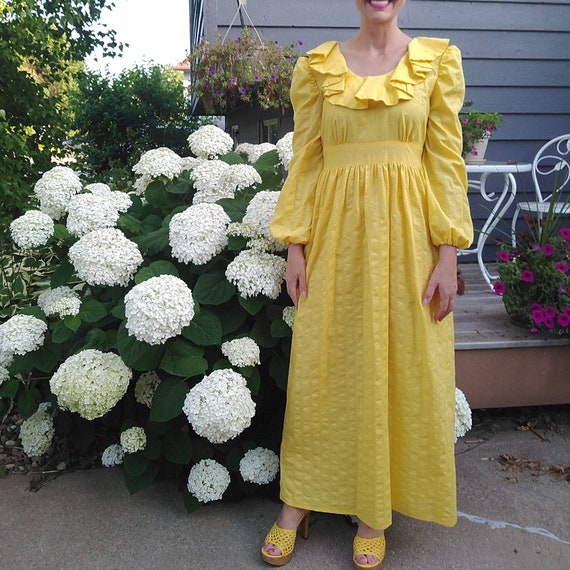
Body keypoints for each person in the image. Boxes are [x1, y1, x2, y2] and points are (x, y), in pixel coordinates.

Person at [264, 0, 474, 568]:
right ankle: (299, 499)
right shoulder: (318, 66)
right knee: (321, 365)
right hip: (334, 238)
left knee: (397, 365)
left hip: (409, 243)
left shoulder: (436, 62)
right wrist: (296, 247)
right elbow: (306, 160)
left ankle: (374, 511)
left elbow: (446, 162)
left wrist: (448, 253)